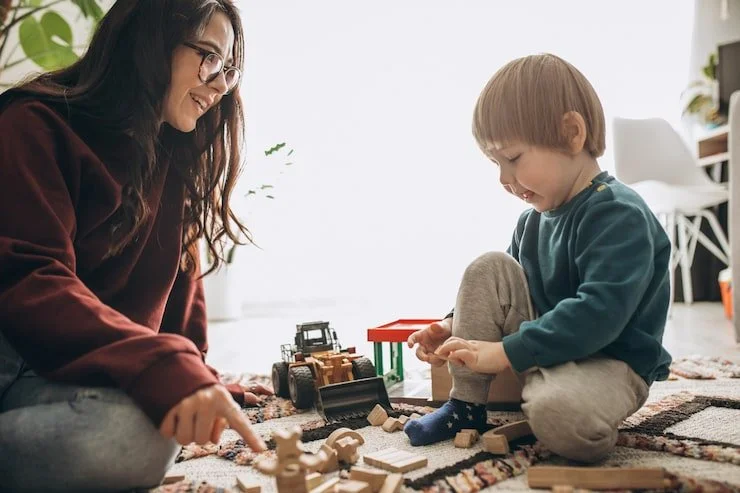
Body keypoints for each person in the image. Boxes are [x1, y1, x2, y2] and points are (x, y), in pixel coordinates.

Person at [0, 1, 272, 491]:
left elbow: (176, 285)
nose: (220, 84)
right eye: (209, 56)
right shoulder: (32, 124)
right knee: (136, 434)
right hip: (13, 356)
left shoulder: (170, 153)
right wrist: (163, 367)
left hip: (64, 371)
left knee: (149, 428)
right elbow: (28, 282)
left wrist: (197, 375)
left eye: (229, 70)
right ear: (149, 43)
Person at [404, 53, 673, 463]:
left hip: (610, 363)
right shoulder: (532, 223)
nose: (503, 179)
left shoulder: (619, 214)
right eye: (495, 164)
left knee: (557, 413)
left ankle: (560, 404)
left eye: (512, 158)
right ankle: (466, 406)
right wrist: (449, 325)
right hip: (548, 352)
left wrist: (503, 354)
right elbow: (505, 295)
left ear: (571, 133)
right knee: (489, 265)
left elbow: (598, 315)